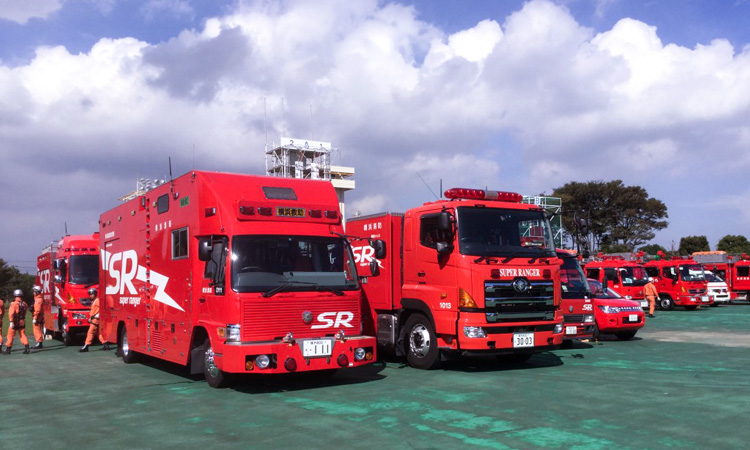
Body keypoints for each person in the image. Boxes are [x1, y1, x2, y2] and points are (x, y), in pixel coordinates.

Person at [80, 288, 109, 352]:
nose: (90, 296)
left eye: (92, 294)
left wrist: (97, 315)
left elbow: (102, 308)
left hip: (96, 319)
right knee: (98, 333)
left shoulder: (97, 301)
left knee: (90, 332)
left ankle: (86, 345)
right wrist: (91, 318)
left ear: (95, 294)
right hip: (94, 319)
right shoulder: (94, 301)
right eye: (90, 294)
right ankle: (105, 344)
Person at [4, 289, 30, 354]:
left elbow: (11, 313)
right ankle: (27, 347)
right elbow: (25, 311)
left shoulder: (14, 304)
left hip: (15, 321)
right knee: (22, 334)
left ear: (15, 295)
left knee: (10, 335)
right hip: (22, 321)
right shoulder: (24, 304)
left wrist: (11, 321)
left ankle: (8, 349)